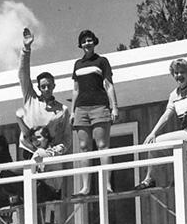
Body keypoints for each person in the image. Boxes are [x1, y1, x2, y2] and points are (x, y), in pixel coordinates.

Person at [138, 58, 187, 189]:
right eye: (176, 73)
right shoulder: (174, 94)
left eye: (182, 72)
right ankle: (185, 177)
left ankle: (150, 179)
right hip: (186, 133)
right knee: (155, 143)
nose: (179, 76)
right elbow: (166, 116)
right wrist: (152, 133)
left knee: (158, 144)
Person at [71, 29, 119, 195]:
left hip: (99, 106)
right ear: (80, 45)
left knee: (102, 146)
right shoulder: (77, 64)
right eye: (84, 41)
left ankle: (107, 184)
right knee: (84, 147)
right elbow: (75, 90)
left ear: (94, 42)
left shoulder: (102, 61)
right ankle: (85, 187)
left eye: (90, 40)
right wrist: (72, 111)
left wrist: (114, 106)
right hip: (81, 109)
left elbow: (108, 84)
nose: (87, 44)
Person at [17, 28, 70, 160]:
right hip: (28, 150)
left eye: (49, 86)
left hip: (50, 154)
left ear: (54, 86)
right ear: (38, 87)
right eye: (43, 86)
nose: (46, 89)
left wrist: (54, 151)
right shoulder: (31, 99)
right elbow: (23, 74)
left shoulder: (62, 110)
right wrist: (26, 49)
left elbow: (66, 138)